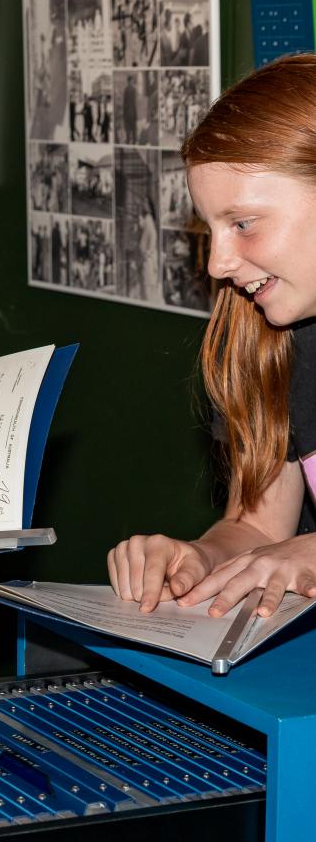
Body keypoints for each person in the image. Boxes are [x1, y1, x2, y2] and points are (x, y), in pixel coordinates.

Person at [108, 52, 316, 621]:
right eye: (211, 230)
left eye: (243, 224)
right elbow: (256, 525)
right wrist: (201, 556)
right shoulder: (277, 337)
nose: (220, 263)